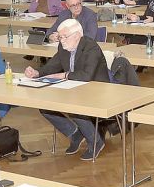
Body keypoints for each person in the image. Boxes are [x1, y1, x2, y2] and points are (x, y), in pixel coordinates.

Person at [24, 19, 110, 160]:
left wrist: (64, 75)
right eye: (59, 37)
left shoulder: (91, 47)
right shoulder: (63, 47)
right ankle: (75, 133)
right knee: (44, 106)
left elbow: (86, 75)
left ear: (76, 35)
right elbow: (53, 65)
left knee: (74, 106)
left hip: (97, 90)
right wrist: (37, 72)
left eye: (64, 37)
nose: (61, 40)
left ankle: (96, 142)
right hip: (74, 88)